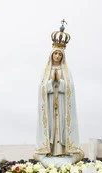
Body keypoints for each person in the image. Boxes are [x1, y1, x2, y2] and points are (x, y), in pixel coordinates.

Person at [34, 20, 83, 167]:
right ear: (51, 54)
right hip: (50, 105)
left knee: (61, 126)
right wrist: (50, 83)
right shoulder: (46, 71)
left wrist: (60, 83)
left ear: (62, 56)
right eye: (55, 53)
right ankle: (49, 151)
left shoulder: (66, 71)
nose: (57, 56)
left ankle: (62, 150)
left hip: (62, 105)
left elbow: (70, 88)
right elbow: (42, 88)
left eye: (59, 54)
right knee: (51, 126)